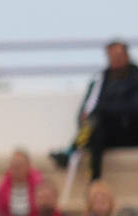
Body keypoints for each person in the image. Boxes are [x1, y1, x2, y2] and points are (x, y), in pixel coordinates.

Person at [50, 41, 138, 180]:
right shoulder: (101, 78)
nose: (117, 59)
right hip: (106, 132)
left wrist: (105, 111)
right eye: (113, 56)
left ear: (127, 55)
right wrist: (84, 119)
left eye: (120, 55)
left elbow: (133, 107)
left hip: (131, 130)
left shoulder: (135, 76)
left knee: (99, 115)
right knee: (96, 129)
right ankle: (95, 180)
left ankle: (72, 150)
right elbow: (86, 109)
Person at [0, 149, 42, 216]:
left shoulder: (39, 184)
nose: (16, 169)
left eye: (20, 165)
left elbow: (42, 209)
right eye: (13, 166)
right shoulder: (3, 187)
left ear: (28, 166)